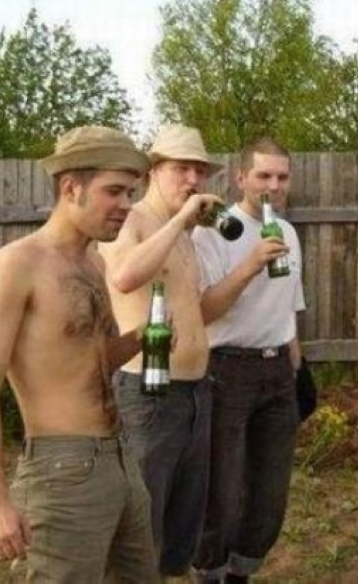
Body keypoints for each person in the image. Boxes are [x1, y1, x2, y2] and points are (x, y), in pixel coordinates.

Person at [0, 125, 160, 583]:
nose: (126, 204)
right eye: (114, 191)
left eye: (130, 193)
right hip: (61, 470)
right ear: (71, 188)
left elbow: (94, 359)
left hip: (119, 457)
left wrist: (143, 337)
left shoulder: (94, 263)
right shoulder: (18, 264)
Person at [99, 124, 225, 581]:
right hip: (148, 394)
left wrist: (250, 268)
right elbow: (124, 277)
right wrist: (180, 221)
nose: (193, 179)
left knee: (180, 527)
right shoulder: (131, 220)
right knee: (141, 524)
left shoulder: (185, 236)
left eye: (200, 171)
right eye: (181, 168)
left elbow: (198, 311)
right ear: (154, 170)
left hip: (195, 394)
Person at [191, 137, 306, 584]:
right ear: (241, 178)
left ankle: (241, 574)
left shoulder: (288, 233)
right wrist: (251, 263)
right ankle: (209, 573)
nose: (273, 186)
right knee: (221, 493)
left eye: (281, 177)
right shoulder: (214, 231)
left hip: (278, 372)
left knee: (269, 495)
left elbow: (289, 307)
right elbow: (203, 311)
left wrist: (297, 366)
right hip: (227, 370)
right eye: (263, 175)